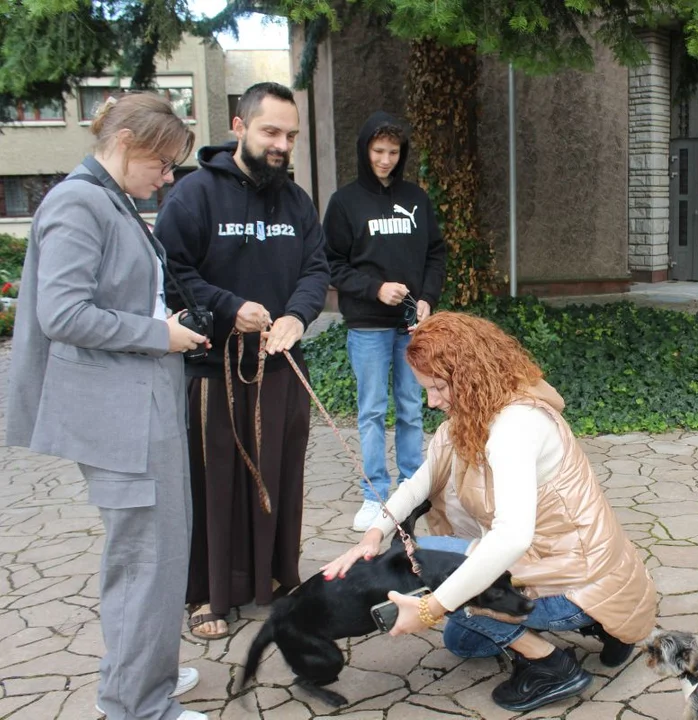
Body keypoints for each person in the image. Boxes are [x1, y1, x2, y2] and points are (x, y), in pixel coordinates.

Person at [321, 312, 657, 713]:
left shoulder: (515, 427)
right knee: (462, 641)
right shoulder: (475, 412)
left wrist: (432, 607)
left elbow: (511, 537)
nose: (432, 401)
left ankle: (554, 665)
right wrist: (373, 535)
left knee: (428, 568)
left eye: (438, 387)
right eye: (426, 389)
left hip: (571, 579)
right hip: (557, 566)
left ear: (469, 374)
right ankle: (603, 625)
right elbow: (420, 483)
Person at [6, 93, 210, 719]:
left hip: (139, 405)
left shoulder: (108, 198)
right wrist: (159, 334)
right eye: (163, 161)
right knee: (146, 560)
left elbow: (110, 298)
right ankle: (136, 705)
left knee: (159, 552)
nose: (168, 176)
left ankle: (144, 677)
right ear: (125, 141)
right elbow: (62, 313)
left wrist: (160, 320)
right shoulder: (78, 201)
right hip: (122, 417)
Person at [155, 82, 330, 639]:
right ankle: (208, 593)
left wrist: (297, 317)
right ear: (239, 127)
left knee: (279, 478)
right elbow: (174, 273)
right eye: (270, 132)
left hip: (282, 369)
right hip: (214, 373)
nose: (282, 144)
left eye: (291, 135)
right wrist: (232, 308)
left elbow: (316, 268)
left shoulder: (298, 201)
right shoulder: (193, 195)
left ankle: (275, 579)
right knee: (215, 484)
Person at [323, 111, 446, 532]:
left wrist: (427, 297)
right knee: (372, 410)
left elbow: (436, 253)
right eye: (378, 151)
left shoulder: (416, 199)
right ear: (364, 150)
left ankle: (412, 486)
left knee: (412, 407)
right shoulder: (344, 203)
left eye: (394, 151)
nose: (386, 159)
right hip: (367, 325)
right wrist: (374, 288)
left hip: (411, 324)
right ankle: (374, 494)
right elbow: (331, 265)